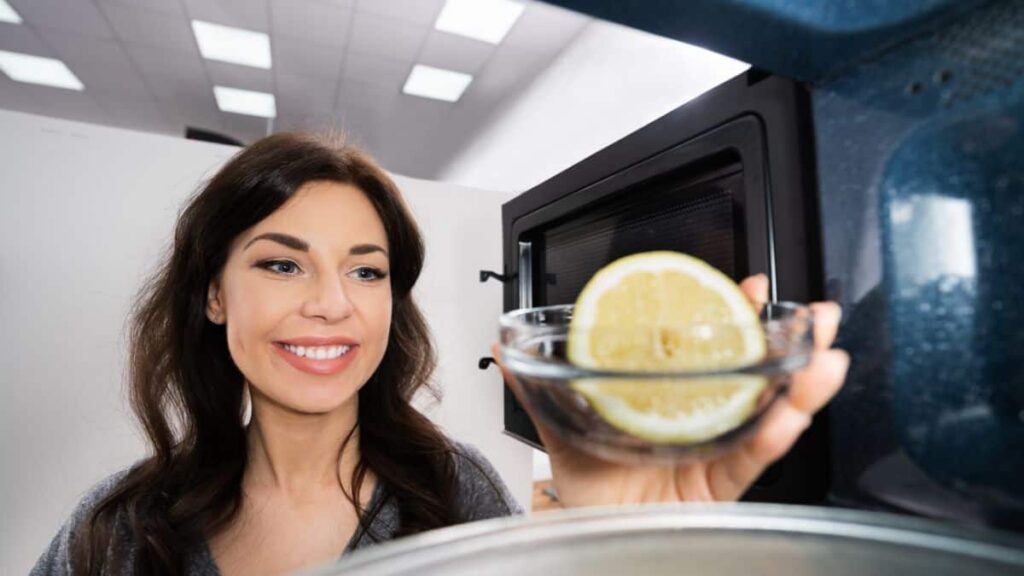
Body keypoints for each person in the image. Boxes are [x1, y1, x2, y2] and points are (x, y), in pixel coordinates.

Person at [30, 133, 848, 576]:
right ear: (214, 295)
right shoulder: (116, 533)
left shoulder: (453, 497)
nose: (332, 301)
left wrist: (625, 555)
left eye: (367, 269)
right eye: (282, 263)